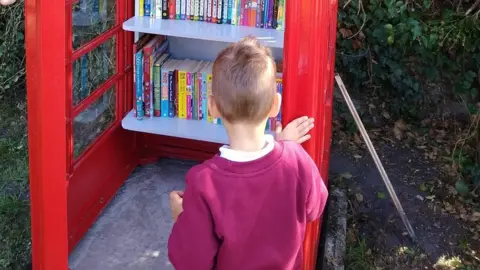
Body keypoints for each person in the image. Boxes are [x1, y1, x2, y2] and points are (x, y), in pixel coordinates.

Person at [168, 37, 328, 270]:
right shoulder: (296, 160)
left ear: (212, 107)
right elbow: (316, 207)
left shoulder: (203, 182)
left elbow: (191, 262)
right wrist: (285, 147)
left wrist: (181, 218)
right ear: (275, 105)